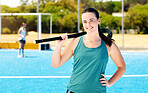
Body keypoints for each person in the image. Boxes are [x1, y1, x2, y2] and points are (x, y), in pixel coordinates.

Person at [52, 8, 126, 93]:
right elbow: (56, 64)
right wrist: (58, 45)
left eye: (91, 20)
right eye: (85, 22)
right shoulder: (75, 42)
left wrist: (110, 82)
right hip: (74, 90)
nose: (88, 24)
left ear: (98, 21)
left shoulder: (109, 45)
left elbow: (122, 67)